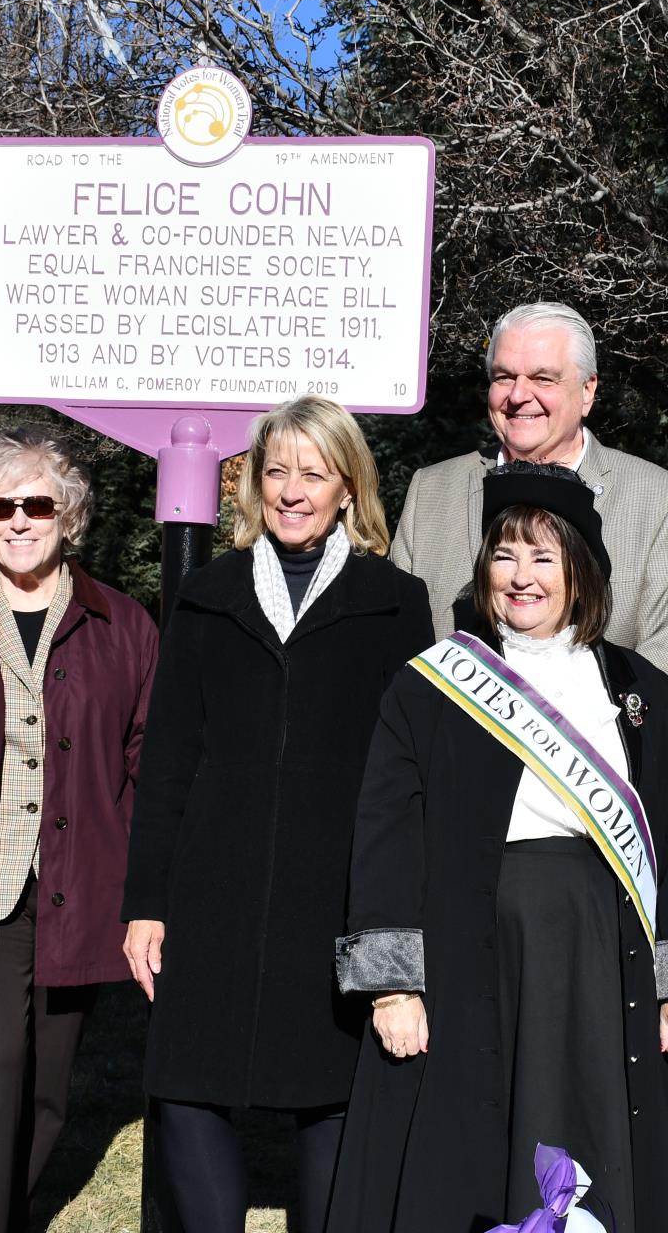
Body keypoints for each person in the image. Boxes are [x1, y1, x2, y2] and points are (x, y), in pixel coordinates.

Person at [328, 461, 668, 1233]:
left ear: (582, 570)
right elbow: (386, 837)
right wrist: (395, 987)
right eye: (504, 555)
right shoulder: (431, 687)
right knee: (474, 1147)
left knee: (598, 1126)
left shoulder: (642, 696)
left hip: (604, 956)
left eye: (544, 556)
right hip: (474, 953)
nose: (520, 577)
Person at [121, 396, 433, 1233]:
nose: (293, 490)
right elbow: (168, 761)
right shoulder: (207, 596)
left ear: (348, 486)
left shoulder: (395, 602)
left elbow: (409, 777)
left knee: (331, 1095)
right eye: (276, 471)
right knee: (187, 1083)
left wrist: (395, 918)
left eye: (314, 472)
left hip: (334, 896)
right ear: (253, 484)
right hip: (209, 892)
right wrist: (146, 901)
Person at [0, 425, 161, 1233]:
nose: (18, 520)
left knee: (49, 1087)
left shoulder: (124, 627)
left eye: (36, 504)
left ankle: (0, 1214)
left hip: (78, 885)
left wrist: (147, 894)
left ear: (68, 516)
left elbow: (145, 766)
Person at [390, 301, 668, 686]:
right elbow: (394, 647)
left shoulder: (659, 502)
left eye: (543, 378)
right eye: (504, 377)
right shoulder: (433, 492)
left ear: (587, 391)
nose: (519, 395)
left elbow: (662, 670)